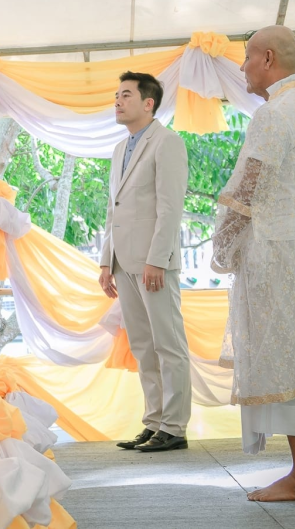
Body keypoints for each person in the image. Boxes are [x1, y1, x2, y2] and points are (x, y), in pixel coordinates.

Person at [212, 25, 295, 501]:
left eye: (246, 57)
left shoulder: (273, 114)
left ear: (267, 58)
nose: (242, 67)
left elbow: (248, 188)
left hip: (275, 255)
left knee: (289, 361)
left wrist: (222, 245)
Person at [99, 71, 192, 452]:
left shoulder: (167, 143)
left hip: (155, 263)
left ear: (148, 103)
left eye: (125, 95)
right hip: (124, 261)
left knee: (169, 345)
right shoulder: (120, 149)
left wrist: (157, 260)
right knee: (142, 346)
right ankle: (154, 422)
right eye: (116, 95)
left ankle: (175, 427)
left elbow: (171, 209)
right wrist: (106, 262)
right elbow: (113, 210)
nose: (117, 102)